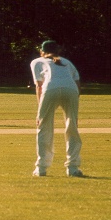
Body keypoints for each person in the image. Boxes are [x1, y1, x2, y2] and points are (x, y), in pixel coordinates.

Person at [30, 40, 84, 177]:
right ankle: (72, 168)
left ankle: (41, 168)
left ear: (42, 51)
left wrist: (39, 112)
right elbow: (77, 85)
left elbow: (39, 86)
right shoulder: (67, 62)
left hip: (50, 89)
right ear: (58, 50)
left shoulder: (37, 61)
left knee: (44, 127)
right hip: (71, 90)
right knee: (72, 127)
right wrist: (74, 109)